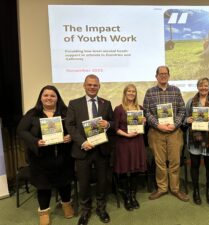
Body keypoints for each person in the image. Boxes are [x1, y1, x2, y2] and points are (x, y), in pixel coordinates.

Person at [17, 85, 74, 225]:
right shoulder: (32, 114)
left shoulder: (66, 112)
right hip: (41, 158)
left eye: (52, 95)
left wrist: (70, 137)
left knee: (65, 183)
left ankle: (66, 204)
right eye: (46, 95)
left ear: (57, 98)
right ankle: (44, 211)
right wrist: (36, 141)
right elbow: (21, 131)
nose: (49, 98)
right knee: (43, 186)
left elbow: (75, 128)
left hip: (63, 156)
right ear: (41, 97)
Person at [65, 74, 114, 225]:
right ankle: (85, 210)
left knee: (102, 181)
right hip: (83, 150)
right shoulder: (74, 103)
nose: (92, 87)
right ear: (84, 86)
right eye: (90, 85)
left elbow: (112, 121)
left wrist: (108, 124)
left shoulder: (106, 103)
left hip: (101, 150)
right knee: (84, 182)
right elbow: (70, 125)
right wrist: (83, 142)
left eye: (95, 85)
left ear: (99, 86)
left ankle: (101, 207)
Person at [143, 65, 189, 202]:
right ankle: (162, 188)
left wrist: (175, 124)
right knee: (160, 162)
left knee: (175, 162)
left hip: (174, 132)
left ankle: (175, 189)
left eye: (165, 73)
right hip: (156, 132)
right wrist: (158, 125)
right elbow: (146, 112)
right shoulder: (150, 92)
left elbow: (182, 110)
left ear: (169, 75)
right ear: (156, 76)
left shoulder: (176, 91)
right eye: (160, 73)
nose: (163, 76)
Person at [185, 77, 209, 205]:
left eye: (206, 86)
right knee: (195, 165)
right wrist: (187, 120)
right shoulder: (190, 102)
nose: (203, 88)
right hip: (194, 138)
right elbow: (184, 118)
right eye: (201, 86)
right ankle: (196, 191)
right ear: (197, 87)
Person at [113, 84, 147, 211]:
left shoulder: (140, 108)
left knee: (135, 171)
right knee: (123, 170)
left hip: (137, 142)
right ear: (125, 93)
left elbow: (142, 128)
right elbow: (115, 128)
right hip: (123, 143)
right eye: (129, 91)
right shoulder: (119, 109)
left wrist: (143, 122)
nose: (131, 93)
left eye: (134, 91)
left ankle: (133, 195)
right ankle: (126, 196)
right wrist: (126, 134)